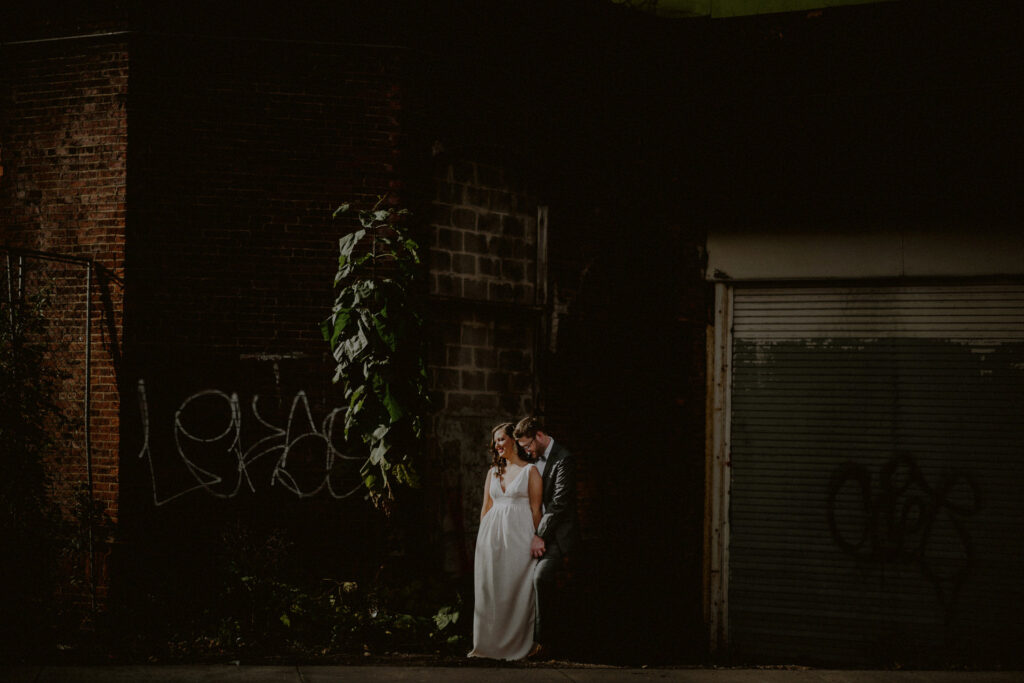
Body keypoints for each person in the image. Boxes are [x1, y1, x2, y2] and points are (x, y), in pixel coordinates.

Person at [469, 422, 544, 660]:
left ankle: (518, 645)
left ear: (513, 440)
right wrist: (482, 540)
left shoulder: (530, 471)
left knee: (516, 589)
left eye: (501, 439)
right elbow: (485, 508)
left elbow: (535, 509)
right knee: (490, 589)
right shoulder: (493, 472)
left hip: (519, 537)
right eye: (495, 441)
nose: (497, 444)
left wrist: (536, 537)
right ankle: (488, 646)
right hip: (491, 540)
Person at [514, 415, 581, 659]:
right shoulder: (530, 459)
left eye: (528, 445)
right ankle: (515, 639)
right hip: (529, 532)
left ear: (540, 436)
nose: (527, 451)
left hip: (555, 536)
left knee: (541, 578)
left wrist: (540, 536)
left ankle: (544, 643)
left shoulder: (564, 459)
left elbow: (559, 504)